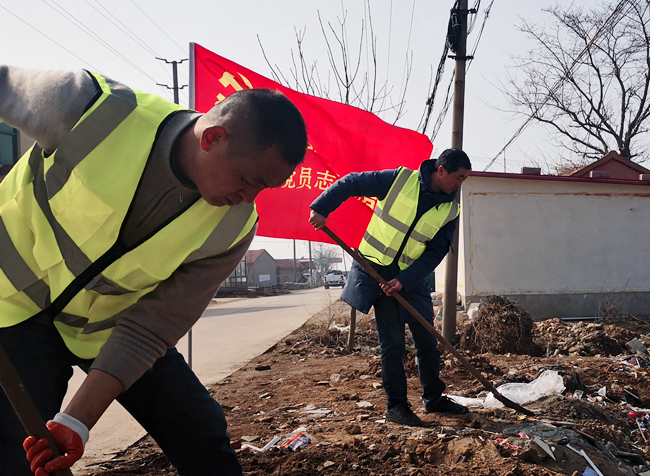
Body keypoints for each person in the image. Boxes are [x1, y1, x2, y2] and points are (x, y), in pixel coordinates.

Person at [0, 66, 307, 476]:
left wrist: (77, 421)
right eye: (247, 179)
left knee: (200, 430)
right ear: (212, 138)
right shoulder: (90, 108)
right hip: (12, 312)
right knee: (20, 453)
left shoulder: (232, 229)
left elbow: (151, 328)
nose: (247, 197)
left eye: (263, 188)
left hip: (108, 328)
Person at [309, 148, 472, 427]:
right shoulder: (399, 180)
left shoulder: (450, 209)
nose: (460, 184)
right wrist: (322, 208)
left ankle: (433, 398)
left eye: (464, 179)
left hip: (412, 279)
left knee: (427, 340)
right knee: (393, 343)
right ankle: (396, 406)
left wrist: (406, 279)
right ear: (441, 170)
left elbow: (435, 252)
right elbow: (352, 182)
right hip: (379, 275)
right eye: (459, 177)